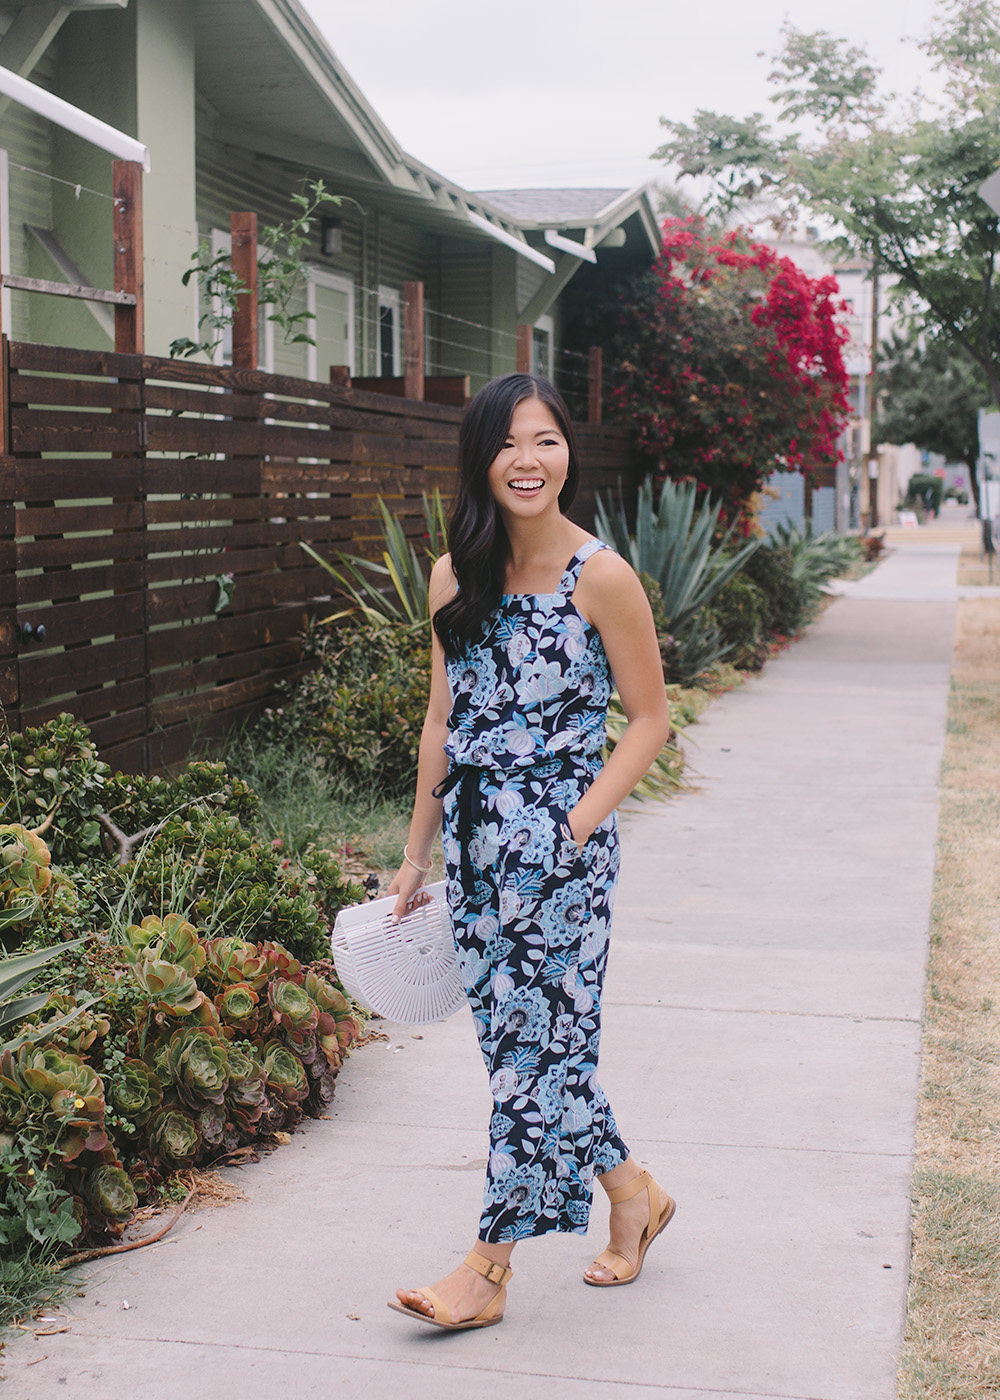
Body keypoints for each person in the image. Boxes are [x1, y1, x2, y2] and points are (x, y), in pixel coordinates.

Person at [386, 372, 674, 1330]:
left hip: (561, 855)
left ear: (566, 456)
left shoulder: (600, 575)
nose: (528, 460)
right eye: (509, 443)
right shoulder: (450, 576)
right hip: (473, 848)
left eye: (546, 440)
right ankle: (633, 1193)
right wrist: (416, 856)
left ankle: (486, 1271)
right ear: (481, 458)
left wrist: (576, 824)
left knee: (532, 1057)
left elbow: (648, 719)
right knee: (528, 1050)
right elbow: (441, 717)